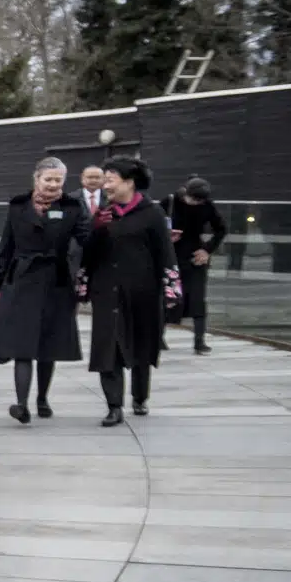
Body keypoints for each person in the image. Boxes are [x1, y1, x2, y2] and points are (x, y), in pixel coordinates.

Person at [0, 157, 91, 423]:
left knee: (48, 345)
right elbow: (6, 246)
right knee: (22, 346)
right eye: (48, 179)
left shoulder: (72, 207)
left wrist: (101, 227)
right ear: (36, 179)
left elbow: (87, 240)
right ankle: (21, 405)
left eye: (58, 180)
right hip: (21, 281)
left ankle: (42, 399)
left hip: (56, 282)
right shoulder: (18, 206)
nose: (53, 184)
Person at [80, 155, 180, 426]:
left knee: (141, 345)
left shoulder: (153, 213)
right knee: (107, 348)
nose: (105, 186)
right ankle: (114, 406)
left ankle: (140, 396)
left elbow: (165, 253)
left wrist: (171, 291)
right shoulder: (103, 213)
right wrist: (96, 229)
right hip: (107, 292)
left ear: (129, 182)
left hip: (143, 292)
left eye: (110, 180)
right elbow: (87, 254)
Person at [162, 177, 227, 355]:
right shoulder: (170, 201)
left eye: (200, 201)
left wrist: (207, 250)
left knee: (198, 298)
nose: (196, 203)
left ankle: (199, 341)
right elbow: (153, 225)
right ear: (185, 192)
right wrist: (166, 236)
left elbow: (221, 228)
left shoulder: (207, 205)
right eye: (193, 199)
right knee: (168, 297)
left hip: (195, 256)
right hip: (171, 255)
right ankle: (158, 336)